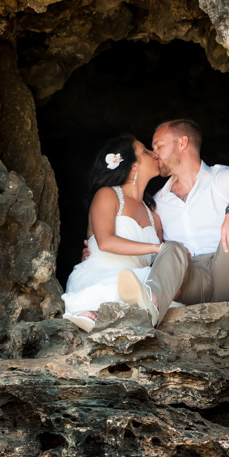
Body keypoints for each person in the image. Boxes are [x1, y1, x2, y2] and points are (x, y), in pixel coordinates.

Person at [115, 118, 229, 327]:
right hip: (189, 281)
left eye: (159, 146)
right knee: (170, 248)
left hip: (228, 270)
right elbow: (146, 243)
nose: (154, 154)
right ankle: (150, 307)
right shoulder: (158, 202)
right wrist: (97, 251)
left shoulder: (219, 177)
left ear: (182, 143)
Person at [63, 133, 180, 332]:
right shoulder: (107, 194)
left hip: (141, 277)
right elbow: (106, 242)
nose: (154, 154)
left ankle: (126, 309)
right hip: (101, 273)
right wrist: (158, 247)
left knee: (169, 285)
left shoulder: (155, 217)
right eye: (145, 151)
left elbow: (157, 263)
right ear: (133, 165)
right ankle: (91, 310)